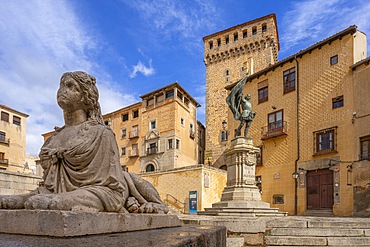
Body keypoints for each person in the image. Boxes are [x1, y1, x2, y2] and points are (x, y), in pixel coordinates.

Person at [0, 71, 168, 214]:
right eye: (62, 85)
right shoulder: (54, 139)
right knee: (35, 199)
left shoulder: (102, 134)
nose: (62, 90)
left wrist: (59, 200)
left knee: (132, 179)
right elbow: (48, 190)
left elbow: (112, 192)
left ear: (86, 96)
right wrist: (20, 199)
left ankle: (159, 205)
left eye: (71, 86)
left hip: (101, 192)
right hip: (69, 194)